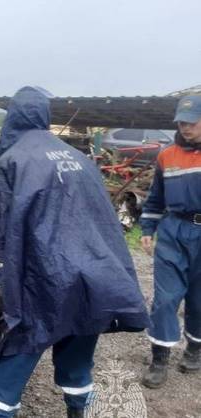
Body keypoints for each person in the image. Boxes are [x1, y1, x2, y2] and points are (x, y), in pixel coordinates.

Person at [0, 86, 149, 418]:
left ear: (13, 119)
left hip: (44, 284)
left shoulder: (13, 160)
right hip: (94, 278)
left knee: (7, 375)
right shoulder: (79, 158)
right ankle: (79, 411)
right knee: (77, 367)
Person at [140, 95, 201, 388]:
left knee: (200, 299)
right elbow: (156, 197)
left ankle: (194, 348)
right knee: (165, 298)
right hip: (174, 231)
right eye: (181, 122)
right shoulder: (167, 155)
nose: (185, 127)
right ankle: (159, 358)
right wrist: (148, 228)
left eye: (191, 122)